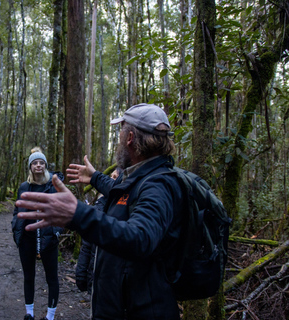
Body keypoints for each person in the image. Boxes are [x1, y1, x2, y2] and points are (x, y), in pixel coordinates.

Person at [16, 103, 184, 320]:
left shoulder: (158, 185)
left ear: (130, 138)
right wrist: (96, 178)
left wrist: (78, 213)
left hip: (140, 310)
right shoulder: (141, 177)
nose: (119, 139)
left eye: (121, 132)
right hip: (122, 304)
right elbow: (123, 192)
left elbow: (140, 238)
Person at [12, 149, 64, 320]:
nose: (38, 165)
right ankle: (29, 313)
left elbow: (62, 213)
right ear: (30, 167)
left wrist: (56, 232)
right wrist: (16, 228)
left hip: (49, 240)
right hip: (27, 239)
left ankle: (50, 316)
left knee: (52, 278)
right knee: (29, 276)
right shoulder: (24, 187)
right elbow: (17, 209)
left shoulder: (54, 187)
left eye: (41, 162)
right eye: (35, 163)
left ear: (45, 166)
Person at [75, 167, 121, 294]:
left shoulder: (121, 208)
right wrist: (81, 274)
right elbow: (87, 242)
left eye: (115, 178)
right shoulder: (99, 204)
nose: (110, 180)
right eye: (111, 176)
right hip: (93, 273)